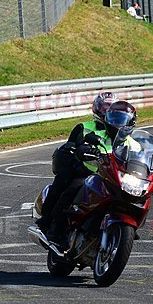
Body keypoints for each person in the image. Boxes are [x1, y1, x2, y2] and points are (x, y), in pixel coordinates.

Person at [46, 100, 137, 248]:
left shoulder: (133, 144)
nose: (117, 124)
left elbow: (142, 160)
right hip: (89, 173)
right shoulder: (92, 132)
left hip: (114, 178)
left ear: (131, 123)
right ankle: (55, 226)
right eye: (114, 119)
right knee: (75, 187)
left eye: (122, 120)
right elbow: (78, 145)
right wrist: (83, 149)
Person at [37, 91, 117, 236]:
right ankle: (52, 222)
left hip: (112, 175)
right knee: (69, 187)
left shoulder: (121, 132)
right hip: (87, 171)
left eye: (110, 109)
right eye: (104, 107)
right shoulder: (84, 127)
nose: (107, 112)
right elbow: (71, 145)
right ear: (97, 109)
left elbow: (133, 149)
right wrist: (80, 147)